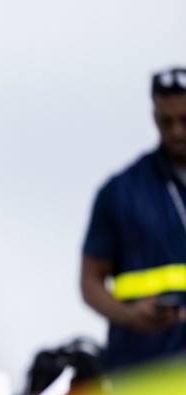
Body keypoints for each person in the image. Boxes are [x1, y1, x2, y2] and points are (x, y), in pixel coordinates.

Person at [80, 66, 186, 371]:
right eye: (167, 122)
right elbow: (89, 281)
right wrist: (130, 316)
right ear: (154, 116)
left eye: (185, 120)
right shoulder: (122, 191)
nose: (177, 131)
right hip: (143, 370)